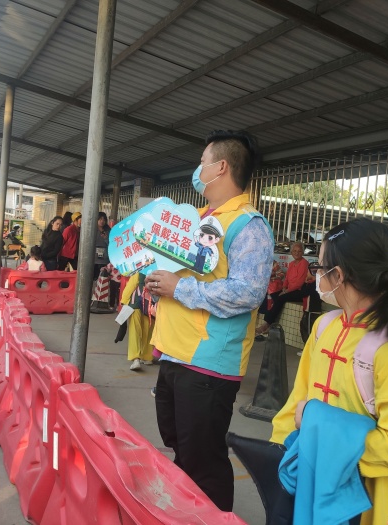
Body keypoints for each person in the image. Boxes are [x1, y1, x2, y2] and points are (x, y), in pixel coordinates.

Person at [144, 130, 274, 511]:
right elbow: (186, 275)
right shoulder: (197, 219)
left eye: (202, 162)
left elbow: (247, 292)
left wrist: (179, 289)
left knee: (204, 462)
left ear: (221, 168)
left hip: (209, 363)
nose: (197, 169)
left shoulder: (248, 226)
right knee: (180, 448)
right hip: (174, 353)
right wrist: (159, 283)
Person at [270, 218, 388, 524]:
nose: (317, 275)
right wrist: (280, 450)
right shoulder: (323, 327)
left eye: (319, 267)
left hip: (367, 501)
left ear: (338, 275)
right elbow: (297, 401)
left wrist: (322, 431)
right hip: (311, 480)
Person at [255, 241, 321, 335]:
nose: (297, 253)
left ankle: (267, 324)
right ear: (291, 252)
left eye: (299, 251)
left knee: (281, 298)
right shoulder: (291, 263)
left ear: (302, 252)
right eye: (294, 251)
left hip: (299, 291)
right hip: (290, 290)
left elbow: (299, 283)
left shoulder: (304, 263)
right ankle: (271, 323)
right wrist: (284, 288)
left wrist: (287, 291)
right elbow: (286, 279)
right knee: (275, 295)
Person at [121, 273, 156, 371]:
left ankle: (136, 358)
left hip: (136, 303)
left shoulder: (140, 271)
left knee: (135, 330)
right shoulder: (158, 272)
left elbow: (131, 286)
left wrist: (124, 301)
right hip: (150, 306)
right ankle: (148, 357)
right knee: (148, 330)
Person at [94, 211, 111, 279]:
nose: (102, 221)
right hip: (94, 257)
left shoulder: (108, 230)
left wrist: (106, 238)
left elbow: (111, 243)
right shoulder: (92, 229)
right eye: (100, 219)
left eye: (104, 219)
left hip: (105, 257)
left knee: (103, 276)